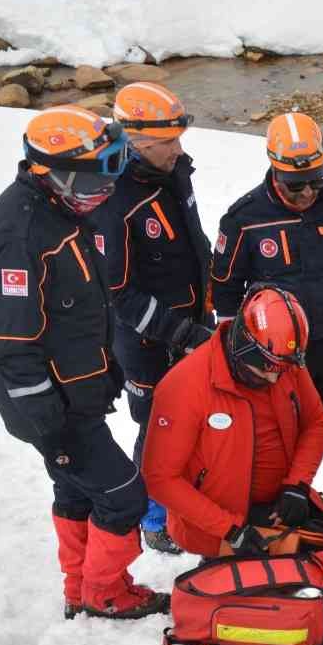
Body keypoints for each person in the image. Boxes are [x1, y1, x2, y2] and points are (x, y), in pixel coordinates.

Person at [0, 105, 167, 620]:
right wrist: (47, 420)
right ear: (51, 173)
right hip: (52, 405)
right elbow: (13, 343)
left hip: (79, 388)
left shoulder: (63, 211)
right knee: (123, 495)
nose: (101, 196)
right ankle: (106, 592)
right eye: (91, 185)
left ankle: (81, 587)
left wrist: (103, 377)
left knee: (77, 491)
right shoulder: (19, 236)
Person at [209, 111, 323, 475]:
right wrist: (229, 350)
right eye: (296, 185)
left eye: (316, 182)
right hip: (276, 352)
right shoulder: (244, 218)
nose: (307, 193)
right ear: (276, 171)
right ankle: (292, 514)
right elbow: (225, 289)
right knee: (281, 437)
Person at [98, 82, 214, 555]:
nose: (178, 148)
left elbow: (193, 240)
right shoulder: (114, 199)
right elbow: (117, 292)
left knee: (199, 423)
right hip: (147, 344)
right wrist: (177, 331)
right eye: (168, 141)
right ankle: (153, 517)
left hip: (193, 325)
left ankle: (193, 501)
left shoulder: (174, 172)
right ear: (137, 142)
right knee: (157, 431)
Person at [141, 286, 323, 557]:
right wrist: (229, 529)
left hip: (278, 511)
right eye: (264, 371)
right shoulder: (183, 386)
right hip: (217, 527)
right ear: (243, 347)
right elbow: (159, 478)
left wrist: (297, 484)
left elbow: (316, 422)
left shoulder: (282, 362)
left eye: (281, 371)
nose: (274, 380)